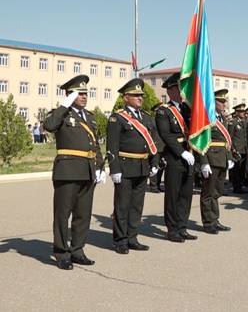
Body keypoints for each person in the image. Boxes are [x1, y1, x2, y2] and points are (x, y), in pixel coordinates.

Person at [43, 75, 106, 270]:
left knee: (83, 214)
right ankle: (62, 252)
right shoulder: (60, 114)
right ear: (70, 95)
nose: (85, 96)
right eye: (80, 93)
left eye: (86, 93)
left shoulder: (90, 117)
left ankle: (77, 250)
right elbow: (49, 126)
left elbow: (95, 144)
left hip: (87, 171)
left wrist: (100, 166)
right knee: (63, 214)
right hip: (67, 171)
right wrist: (64, 106)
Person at [107, 78, 164, 254]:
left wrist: (154, 163)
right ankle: (120, 240)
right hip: (124, 167)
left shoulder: (146, 118)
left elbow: (153, 142)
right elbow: (112, 146)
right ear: (126, 98)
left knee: (137, 206)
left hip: (142, 166)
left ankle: (132, 237)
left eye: (141, 95)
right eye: (136, 95)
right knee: (122, 206)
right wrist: (114, 168)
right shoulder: (118, 118)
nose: (140, 98)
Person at [155, 72, 197, 243]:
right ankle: (172, 229)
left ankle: (182, 227)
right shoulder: (163, 111)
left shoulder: (189, 109)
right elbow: (166, 135)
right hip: (175, 157)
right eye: (179, 88)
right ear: (170, 90)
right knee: (173, 194)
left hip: (191, 155)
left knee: (186, 194)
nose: (182, 92)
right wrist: (182, 152)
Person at [199, 89, 235, 234]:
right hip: (211, 159)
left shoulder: (222, 118)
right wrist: (203, 161)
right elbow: (201, 141)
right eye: (221, 101)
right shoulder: (206, 118)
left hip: (222, 159)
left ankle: (215, 219)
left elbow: (226, 141)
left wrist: (230, 158)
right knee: (208, 193)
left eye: (224, 101)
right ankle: (207, 223)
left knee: (217, 192)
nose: (224, 103)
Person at [228, 104, 248, 194]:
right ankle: (236, 187)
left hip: (244, 148)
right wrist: (232, 148)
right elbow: (230, 137)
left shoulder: (244, 122)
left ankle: (240, 185)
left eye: (244, 111)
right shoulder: (233, 123)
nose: (244, 113)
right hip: (237, 149)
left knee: (242, 169)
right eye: (241, 111)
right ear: (237, 113)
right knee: (236, 169)